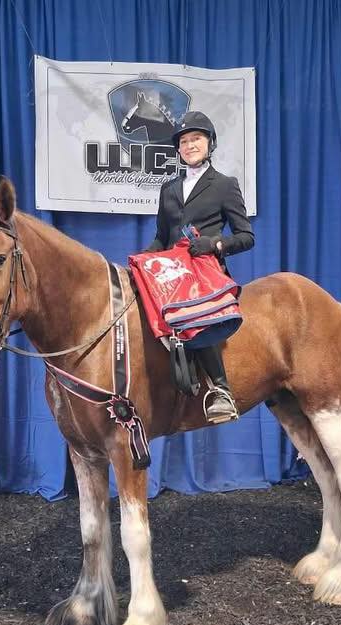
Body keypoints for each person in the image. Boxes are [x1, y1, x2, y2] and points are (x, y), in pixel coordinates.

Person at [143, 111, 255, 424]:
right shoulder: (169, 189)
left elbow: (246, 236)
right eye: (184, 141)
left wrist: (215, 243)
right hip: (173, 269)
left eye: (196, 139)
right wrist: (144, 260)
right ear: (178, 149)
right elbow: (162, 237)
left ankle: (221, 390)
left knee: (195, 317)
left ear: (209, 143)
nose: (190, 145)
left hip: (205, 269)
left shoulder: (224, 185)